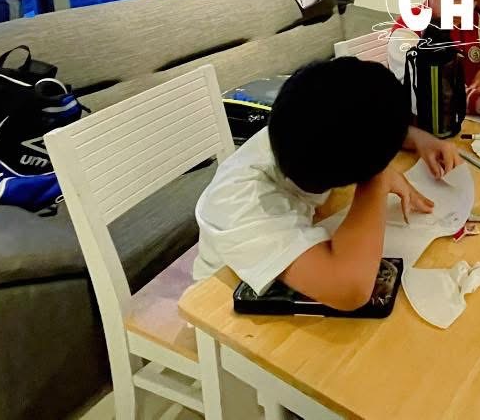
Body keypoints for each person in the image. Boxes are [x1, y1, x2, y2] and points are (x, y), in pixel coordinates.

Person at [193, 58, 459, 309]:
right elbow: (350, 290)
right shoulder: (245, 204)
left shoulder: (300, 125)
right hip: (219, 307)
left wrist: (420, 139)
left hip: (285, 263)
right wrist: (377, 182)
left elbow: (356, 117)